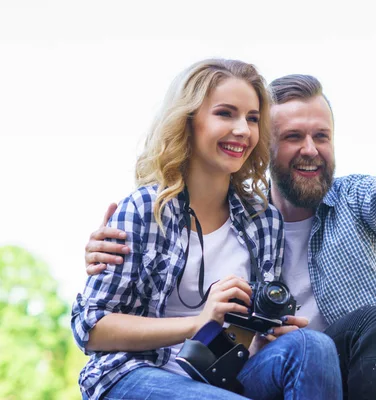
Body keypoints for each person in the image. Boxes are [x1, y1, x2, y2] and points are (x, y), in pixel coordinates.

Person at [85, 57, 376, 400]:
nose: (310, 149)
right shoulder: (160, 211)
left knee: (341, 335)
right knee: (311, 347)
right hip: (180, 372)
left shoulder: (323, 209)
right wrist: (212, 324)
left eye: (321, 136)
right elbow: (93, 322)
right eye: (292, 137)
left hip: (356, 374)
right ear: (266, 148)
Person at [71, 59, 343, 400]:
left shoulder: (263, 221)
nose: (243, 129)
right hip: (134, 374)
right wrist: (198, 322)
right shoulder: (144, 209)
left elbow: (245, 340)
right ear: (189, 122)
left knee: (312, 345)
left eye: (253, 118)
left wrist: (265, 333)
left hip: (218, 377)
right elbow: (91, 327)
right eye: (225, 113)